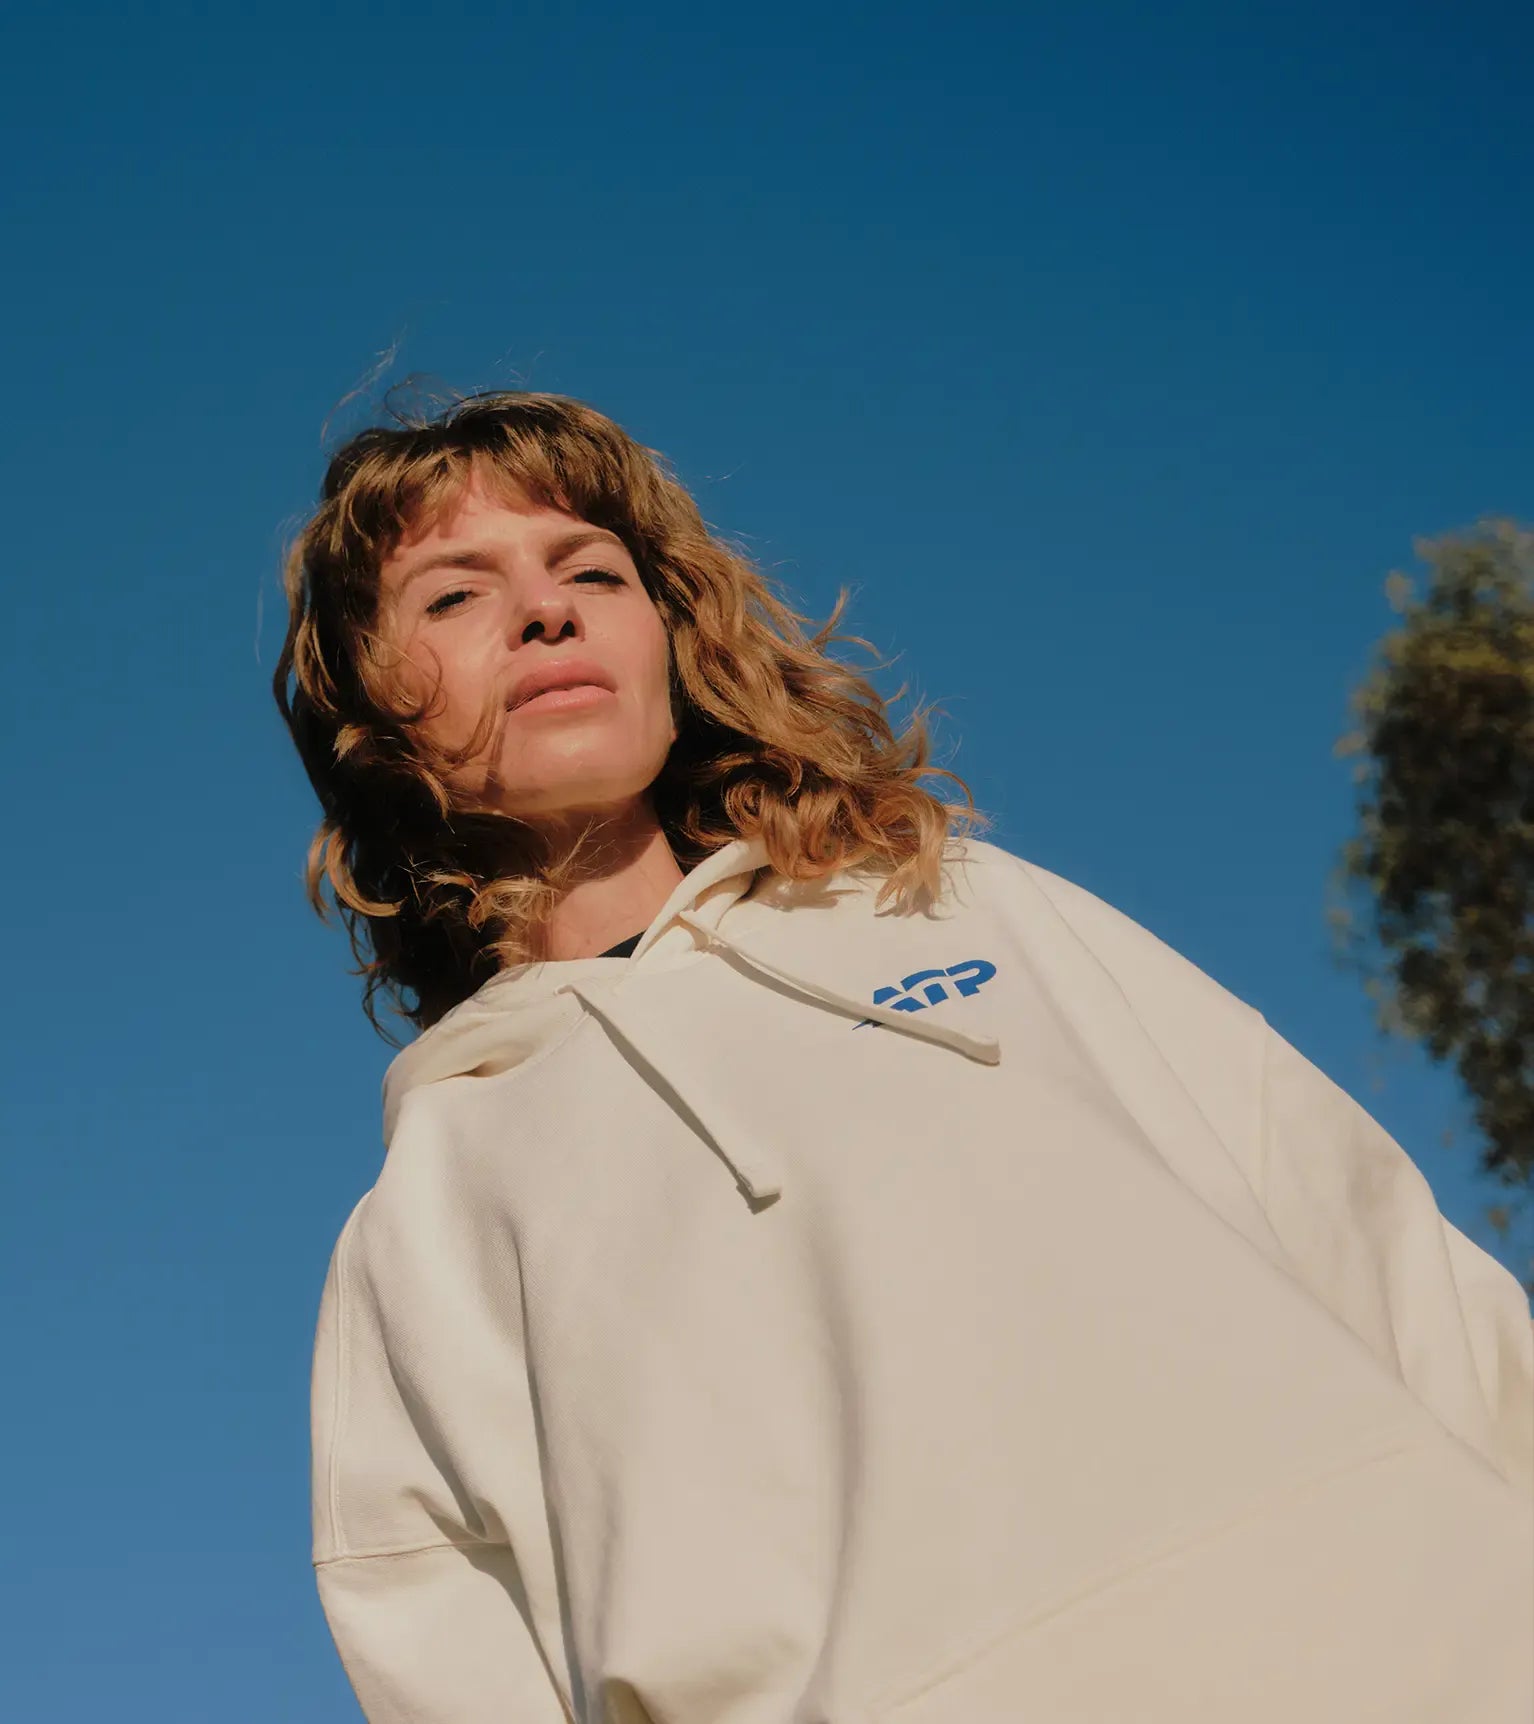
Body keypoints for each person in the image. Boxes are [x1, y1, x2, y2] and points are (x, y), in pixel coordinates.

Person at [277, 391, 1534, 1724]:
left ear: (668, 634)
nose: (547, 610)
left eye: (592, 569)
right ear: (373, 711)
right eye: (455, 596)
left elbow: (1386, 1257)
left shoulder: (968, 906)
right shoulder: (424, 1223)